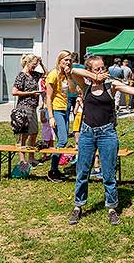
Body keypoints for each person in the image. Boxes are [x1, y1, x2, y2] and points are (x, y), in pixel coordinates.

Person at [69, 56, 134, 226]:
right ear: (90, 71)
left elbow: (132, 90)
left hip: (107, 133)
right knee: (82, 172)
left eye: (103, 68)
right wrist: (94, 76)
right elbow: (73, 70)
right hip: (87, 133)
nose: (102, 71)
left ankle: (112, 208)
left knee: (109, 173)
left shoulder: (110, 85)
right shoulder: (85, 85)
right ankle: (78, 206)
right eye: (98, 69)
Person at [12, 54, 47, 167]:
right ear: (28, 63)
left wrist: (41, 63)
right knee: (24, 134)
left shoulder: (33, 75)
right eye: (34, 64)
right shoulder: (21, 75)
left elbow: (47, 74)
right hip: (23, 108)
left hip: (33, 107)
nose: (35, 66)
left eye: (36, 64)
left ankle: (31, 158)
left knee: (34, 132)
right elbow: (14, 92)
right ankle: (23, 160)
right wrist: (31, 93)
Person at [46, 50, 75, 182]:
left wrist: (69, 75)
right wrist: (51, 116)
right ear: (60, 60)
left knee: (62, 141)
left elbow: (72, 90)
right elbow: (48, 97)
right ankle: (52, 170)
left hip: (65, 109)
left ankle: (55, 170)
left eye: (69, 60)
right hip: (56, 110)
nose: (68, 62)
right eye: (65, 59)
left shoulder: (65, 75)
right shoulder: (53, 75)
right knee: (63, 140)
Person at [66, 52, 81, 121]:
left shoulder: (68, 68)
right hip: (78, 93)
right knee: (77, 113)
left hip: (68, 93)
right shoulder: (82, 67)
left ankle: (66, 130)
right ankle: (77, 130)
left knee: (67, 113)